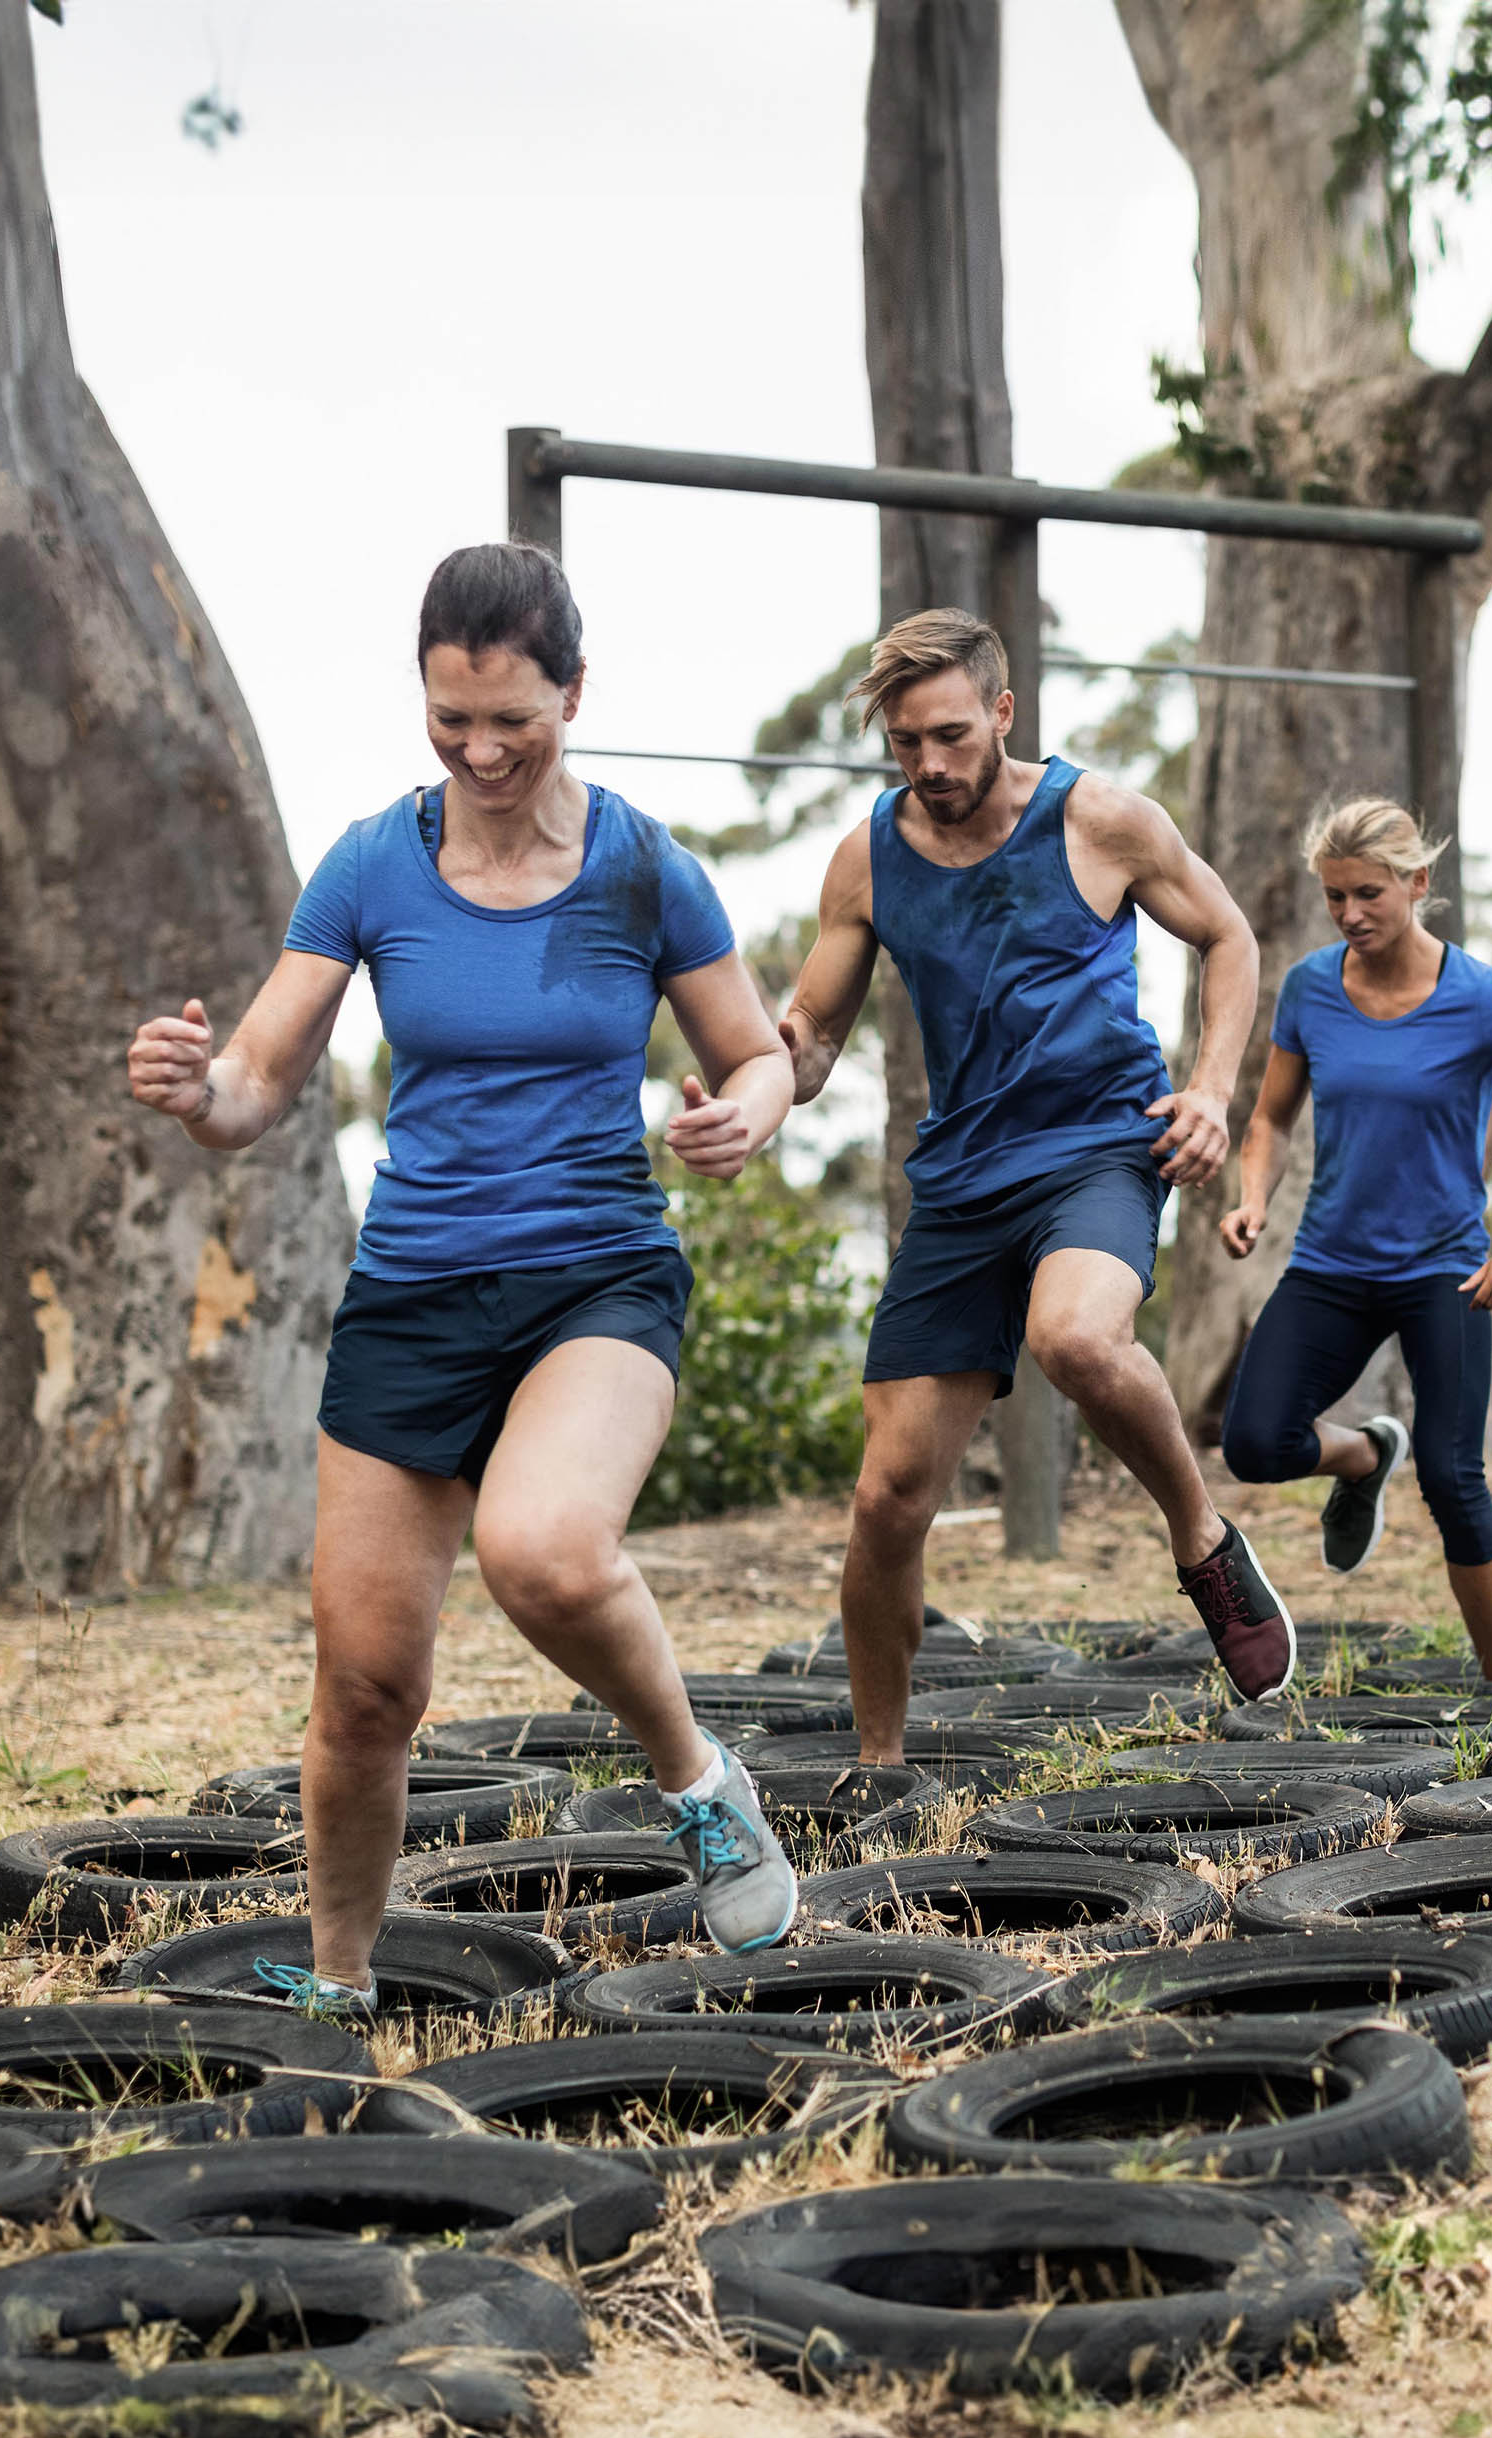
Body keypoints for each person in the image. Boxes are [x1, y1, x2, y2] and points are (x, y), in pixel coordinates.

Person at [123, 543, 801, 2020]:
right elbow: (257, 1080)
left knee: (546, 1550)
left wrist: (742, 1112)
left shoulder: (640, 865)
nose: (484, 752)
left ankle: (701, 1782)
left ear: (575, 691)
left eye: (515, 721)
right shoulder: (375, 860)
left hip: (594, 1278)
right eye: (452, 722)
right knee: (367, 1688)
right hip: (417, 1291)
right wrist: (195, 1093)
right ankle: (346, 1978)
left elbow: (756, 1052)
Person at [774, 607, 1295, 1737]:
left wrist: (1209, 1087)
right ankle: (880, 1758)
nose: (931, 764)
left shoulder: (1098, 817)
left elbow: (1230, 936)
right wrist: (757, 1077)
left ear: (1003, 713)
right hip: (961, 1180)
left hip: (1099, 1143)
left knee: (1074, 1336)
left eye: (952, 735)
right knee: (889, 1497)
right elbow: (813, 1035)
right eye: (907, 742)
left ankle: (1202, 1539)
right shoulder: (869, 854)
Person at [1214, 800, 1492, 1679]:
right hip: (1331, 1262)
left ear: (1417, 885)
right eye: (1334, 898)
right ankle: (1363, 1457)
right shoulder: (1313, 987)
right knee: (1254, 1443)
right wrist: (1253, 1200)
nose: (1350, 915)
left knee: (1452, 1477)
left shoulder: (1482, 999)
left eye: (1368, 894)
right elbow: (1272, 1120)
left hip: (1446, 1269)